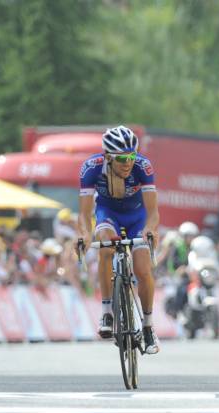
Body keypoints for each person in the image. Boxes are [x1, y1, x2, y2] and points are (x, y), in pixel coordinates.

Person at [77, 125, 161, 354]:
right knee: (105, 245)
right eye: (122, 158)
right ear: (107, 157)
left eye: (131, 156)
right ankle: (107, 311)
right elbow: (84, 215)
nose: (128, 162)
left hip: (137, 217)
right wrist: (84, 234)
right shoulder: (91, 168)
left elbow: (153, 212)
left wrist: (150, 230)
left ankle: (147, 326)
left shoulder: (143, 166)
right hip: (108, 214)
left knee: (143, 269)